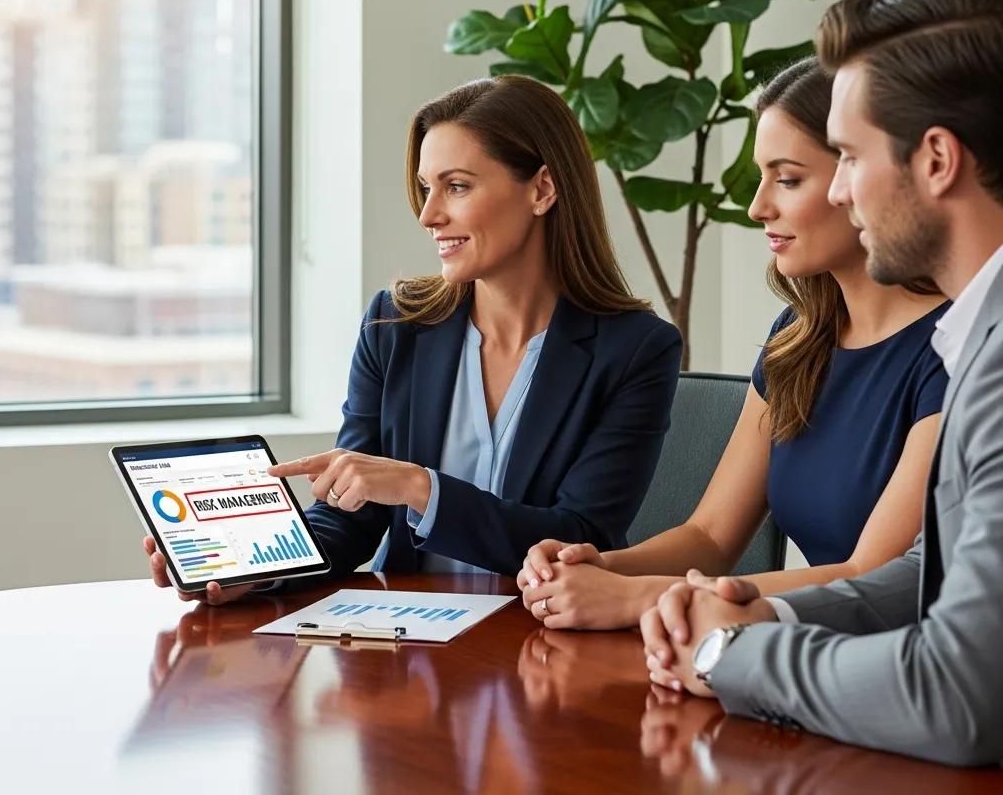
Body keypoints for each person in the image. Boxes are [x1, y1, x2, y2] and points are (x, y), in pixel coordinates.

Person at [640, 0, 1003, 767]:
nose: (839, 188)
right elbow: (925, 572)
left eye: (846, 156)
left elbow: (958, 696)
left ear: (936, 159)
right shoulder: (978, 339)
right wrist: (767, 621)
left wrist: (727, 659)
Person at [144, 74, 681, 604]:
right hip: (404, 648)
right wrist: (261, 569)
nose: (429, 215)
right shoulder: (395, 326)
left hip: (546, 643)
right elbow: (350, 518)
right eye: (427, 188)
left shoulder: (635, 350)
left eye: (457, 186)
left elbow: (580, 537)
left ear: (542, 188)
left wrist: (421, 489)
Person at [517, 58, 948, 630]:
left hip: (897, 674)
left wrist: (644, 598)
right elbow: (711, 536)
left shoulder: (955, 346)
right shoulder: (796, 339)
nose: (757, 206)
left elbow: (871, 576)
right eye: (761, 177)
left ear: (863, 176)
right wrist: (599, 567)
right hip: (793, 656)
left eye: (788, 179)